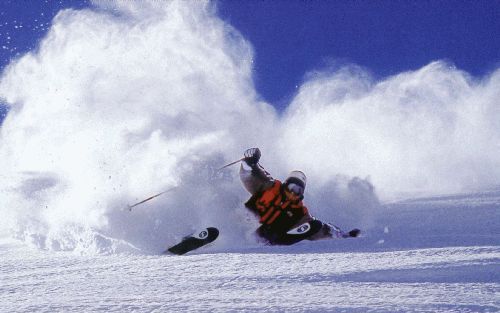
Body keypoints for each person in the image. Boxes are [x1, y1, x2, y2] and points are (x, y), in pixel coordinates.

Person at [239, 147, 335, 244]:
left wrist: (330, 232)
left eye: (298, 190)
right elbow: (252, 177)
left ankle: (274, 242)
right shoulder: (270, 187)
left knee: (315, 225)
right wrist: (250, 163)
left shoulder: (299, 210)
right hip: (245, 227)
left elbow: (310, 228)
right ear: (286, 184)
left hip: (270, 236)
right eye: (292, 187)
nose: (293, 192)